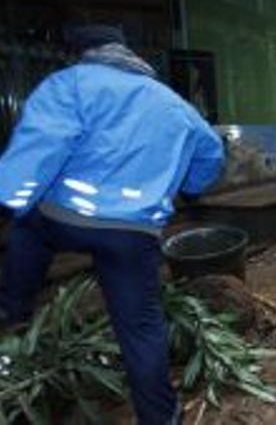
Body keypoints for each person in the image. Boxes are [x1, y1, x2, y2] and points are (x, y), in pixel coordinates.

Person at [0, 24, 224, 423]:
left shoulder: (68, 84)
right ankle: (160, 418)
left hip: (63, 216)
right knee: (141, 329)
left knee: (25, 228)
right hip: (131, 233)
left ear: (83, 55)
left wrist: (10, 198)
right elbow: (210, 152)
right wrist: (191, 186)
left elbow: (41, 144)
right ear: (125, 54)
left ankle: (15, 313)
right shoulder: (172, 103)